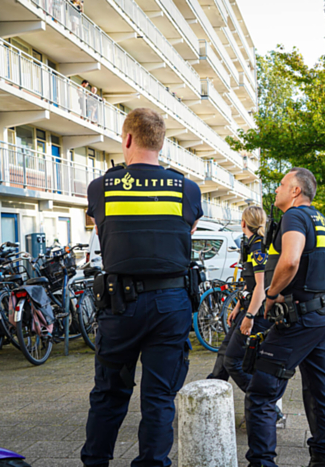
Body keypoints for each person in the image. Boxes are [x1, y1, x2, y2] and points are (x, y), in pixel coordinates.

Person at [81, 108, 203, 467]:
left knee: (109, 393)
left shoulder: (101, 186)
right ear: (161, 142)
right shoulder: (187, 188)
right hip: (171, 303)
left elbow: (103, 232)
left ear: (129, 139)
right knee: (160, 397)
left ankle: (96, 462)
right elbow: (187, 233)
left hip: (120, 306)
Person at [244, 167, 325, 467]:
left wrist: (272, 295)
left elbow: (290, 260)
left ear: (296, 191)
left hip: (299, 319)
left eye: (282, 184)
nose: (277, 189)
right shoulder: (321, 219)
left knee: (260, 394)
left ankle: (261, 463)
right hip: (323, 315)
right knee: (319, 387)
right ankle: (322, 457)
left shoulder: (294, 217)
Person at [208, 206, 272, 391]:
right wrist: (237, 307)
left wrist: (249, 317)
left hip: (256, 313)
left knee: (232, 360)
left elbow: (261, 286)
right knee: (223, 353)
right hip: (247, 307)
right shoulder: (250, 244)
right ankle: (211, 393)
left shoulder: (258, 247)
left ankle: (263, 402)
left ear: (243, 223)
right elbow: (249, 283)